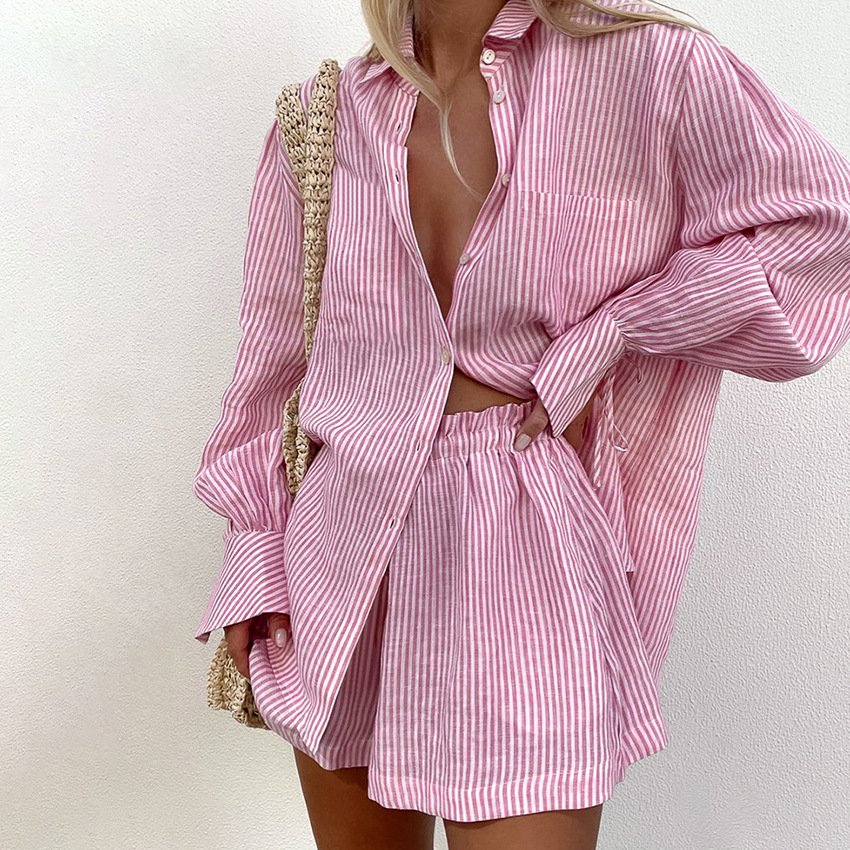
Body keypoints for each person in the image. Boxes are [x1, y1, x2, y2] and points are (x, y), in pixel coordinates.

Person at [191, 0, 850, 847]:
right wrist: (254, 554)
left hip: (526, 553)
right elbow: (273, 368)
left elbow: (821, 235)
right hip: (342, 561)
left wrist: (620, 329)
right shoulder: (326, 116)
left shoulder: (651, 67)